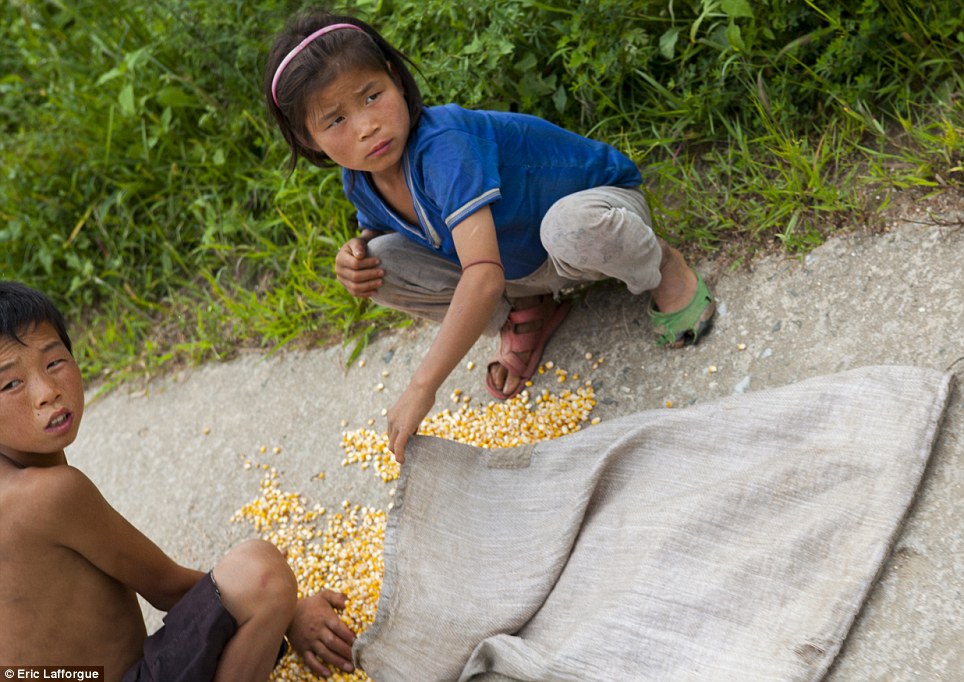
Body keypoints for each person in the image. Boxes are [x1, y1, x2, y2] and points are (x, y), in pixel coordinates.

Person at [264, 9, 716, 462]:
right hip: (523, 263)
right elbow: (387, 224)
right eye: (335, 121)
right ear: (309, 139)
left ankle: (662, 266)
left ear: (395, 79)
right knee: (379, 261)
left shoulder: (445, 148)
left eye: (371, 96)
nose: (366, 126)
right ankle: (528, 306)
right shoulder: (360, 177)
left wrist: (422, 387)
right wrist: (355, 251)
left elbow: (482, 275)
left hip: (598, 213)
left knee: (568, 228)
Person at [0, 281, 357, 680]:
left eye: (54, 363)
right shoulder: (50, 494)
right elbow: (166, 588)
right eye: (11, 383)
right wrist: (293, 613)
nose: (46, 392)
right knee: (262, 574)